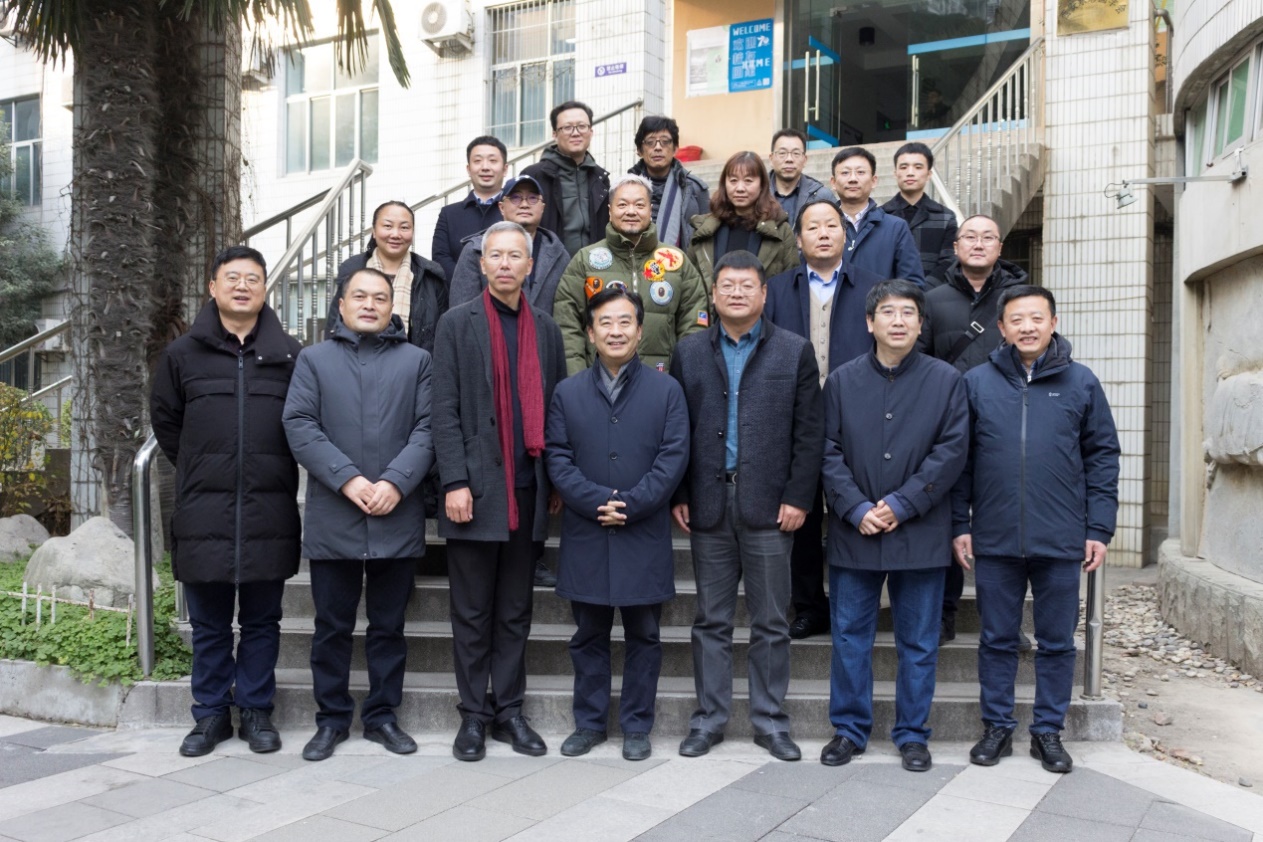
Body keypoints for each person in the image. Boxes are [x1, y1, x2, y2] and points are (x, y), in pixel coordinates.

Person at [954, 285, 1120, 775]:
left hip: (1062, 538)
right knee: (996, 639)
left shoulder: (1081, 382)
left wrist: (1098, 527)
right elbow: (960, 461)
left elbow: (1102, 457)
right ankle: (997, 727)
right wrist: (959, 523)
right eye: (1017, 319)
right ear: (1001, 328)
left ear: (1053, 323)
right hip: (995, 536)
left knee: (1058, 641)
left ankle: (1048, 730)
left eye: (1036, 318)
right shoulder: (977, 383)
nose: (1027, 327)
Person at [669, 251, 823, 762]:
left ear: (764, 294)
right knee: (710, 620)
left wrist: (799, 496)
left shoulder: (794, 350)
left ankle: (770, 722)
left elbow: (810, 432)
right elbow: (678, 429)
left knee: (771, 621)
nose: (737, 293)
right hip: (708, 502)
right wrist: (681, 493)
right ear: (713, 295)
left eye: (747, 285)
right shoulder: (689, 350)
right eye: (727, 286)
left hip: (771, 506)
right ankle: (708, 720)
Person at [150, 245, 302, 757]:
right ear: (212, 287)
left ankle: (256, 710)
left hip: (269, 507)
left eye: (252, 278)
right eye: (232, 278)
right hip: (204, 508)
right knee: (209, 624)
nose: (242, 286)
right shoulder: (182, 355)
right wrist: (204, 466)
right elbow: (167, 422)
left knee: (262, 620)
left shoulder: (290, 355)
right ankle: (210, 713)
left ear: (265, 289)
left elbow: (303, 422)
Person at [283, 268, 434, 762]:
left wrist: (395, 481)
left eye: (380, 297)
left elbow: (429, 427)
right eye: (360, 296)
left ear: (393, 307)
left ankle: (382, 716)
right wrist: (347, 478)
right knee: (331, 626)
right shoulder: (314, 360)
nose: (370, 305)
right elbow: (299, 423)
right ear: (341, 304)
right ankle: (330, 719)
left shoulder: (417, 361)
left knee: (389, 626)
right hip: (335, 514)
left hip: (396, 513)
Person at [819, 279, 968, 771]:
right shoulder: (841, 381)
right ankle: (849, 729)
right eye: (887, 312)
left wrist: (902, 504)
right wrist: (855, 507)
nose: (898, 320)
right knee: (849, 637)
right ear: (870, 322)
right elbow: (827, 450)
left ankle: (912, 734)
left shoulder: (946, 381)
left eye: (908, 312)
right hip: (854, 530)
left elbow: (951, 452)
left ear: (921, 324)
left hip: (920, 531)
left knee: (919, 641)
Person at [433, 221, 568, 762]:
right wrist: (454, 480)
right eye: (497, 255)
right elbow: (443, 409)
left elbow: (556, 409)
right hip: (475, 490)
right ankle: (473, 714)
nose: (506, 263)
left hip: (527, 489)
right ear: (482, 264)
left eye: (516, 256)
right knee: (471, 611)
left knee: (515, 610)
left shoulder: (546, 328)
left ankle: (509, 710)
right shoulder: (455, 323)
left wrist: (555, 478)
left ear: (530, 266)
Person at [546, 287, 689, 762]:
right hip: (587, 532)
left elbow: (673, 457)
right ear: (590, 333)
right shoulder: (567, 393)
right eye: (605, 323)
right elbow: (558, 458)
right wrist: (597, 501)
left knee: (644, 635)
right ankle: (589, 723)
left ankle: (636, 725)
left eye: (625, 322)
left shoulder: (667, 391)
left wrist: (630, 503)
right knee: (588, 635)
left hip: (642, 531)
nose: (615, 331)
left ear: (640, 330)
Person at [763, 198, 884, 640]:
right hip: (794, 418)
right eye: (812, 227)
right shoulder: (776, 290)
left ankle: (858, 604)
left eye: (831, 225)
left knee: (856, 507)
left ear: (845, 234)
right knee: (803, 513)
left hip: (857, 416)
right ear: (798, 240)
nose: (823, 233)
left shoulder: (873, 288)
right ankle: (811, 606)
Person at [916, 214, 1028, 645]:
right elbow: (919, 361)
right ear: (956, 246)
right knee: (947, 521)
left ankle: (1006, 622)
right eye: (970, 237)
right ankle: (943, 615)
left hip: (1006, 425)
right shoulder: (932, 299)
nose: (978, 244)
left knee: (1003, 525)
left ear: (1000, 247)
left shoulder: (1018, 299)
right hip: (946, 427)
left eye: (988, 238)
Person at [554, 174, 709, 375]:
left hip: (661, 381)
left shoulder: (675, 262)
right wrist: (579, 380)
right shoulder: (585, 260)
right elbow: (567, 325)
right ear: (610, 211)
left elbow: (693, 324)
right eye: (622, 205)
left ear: (650, 210)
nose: (631, 211)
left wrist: (681, 379)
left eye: (639, 205)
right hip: (599, 382)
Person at [326, 200, 448, 354]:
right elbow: (334, 326)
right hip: (354, 362)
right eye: (388, 226)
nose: (395, 234)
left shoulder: (431, 274)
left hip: (415, 366)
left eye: (404, 227)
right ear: (374, 231)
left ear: (412, 232)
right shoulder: (352, 270)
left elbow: (443, 334)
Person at [449, 175, 571, 314]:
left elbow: (566, 312)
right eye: (515, 198)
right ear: (501, 207)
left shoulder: (558, 254)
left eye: (532, 198)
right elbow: (461, 312)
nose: (524, 205)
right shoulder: (475, 250)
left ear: (542, 207)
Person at [688, 151, 798, 288]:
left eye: (748, 181)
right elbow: (690, 285)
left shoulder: (780, 230)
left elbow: (791, 284)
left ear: (762, 185)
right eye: (733, 181)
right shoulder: (704, 230)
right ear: (724, 184)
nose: (740, 188)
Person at [521, 101, 611, 256]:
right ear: (554, 134)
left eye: (582, 126)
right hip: (549, 265)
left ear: (591, 131)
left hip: (593, 266)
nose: (575, 133)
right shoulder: (534, 176)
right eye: (567, 127)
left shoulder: (600, 178)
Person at [829, 147, 925, 287]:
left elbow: (912, 283)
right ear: (833, 182)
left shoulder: (896, 227)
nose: (853, 179)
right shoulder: (821, 228)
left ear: (874, 181)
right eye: (845, 173)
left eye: (861, 172)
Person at [880, 142, 958, 287]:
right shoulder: (880, 216)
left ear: (929, 174)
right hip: (887, 295)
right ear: (895, 173)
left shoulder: (945, 217)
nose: (910, 172)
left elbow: (948, 261)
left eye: (918, 167)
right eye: (904, 167)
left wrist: (923, 290)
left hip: (931, 295)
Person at [432, 136, 507, 283]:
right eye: (477, 161)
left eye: (493, 161)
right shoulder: (449, 214)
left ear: (505, 169)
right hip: (459, 293)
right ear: (468, 169)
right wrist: (468, 284)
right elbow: (440, 257)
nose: (485, 167)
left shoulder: (516, 212)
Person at [628, 115, 710, 249]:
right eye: (650, 142)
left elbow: (707, 238)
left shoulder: (695, 190)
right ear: (639, 150)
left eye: (665, 142)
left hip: (681, 261)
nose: (658, 147)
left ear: (675, 148)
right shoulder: (625, 188)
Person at [769, 128, 830, 226]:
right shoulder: (757, 194)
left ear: (805, 160)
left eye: (796, 153)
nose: (789, 159)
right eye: (782, 153)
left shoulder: (821, 196)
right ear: (771, 159)